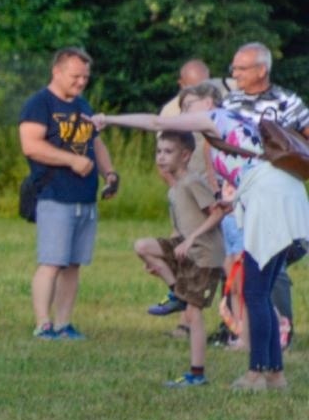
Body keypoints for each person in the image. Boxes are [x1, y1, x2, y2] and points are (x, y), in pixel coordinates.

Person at [96, 81, 309, 389]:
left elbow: (156, 122)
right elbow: (252, 167)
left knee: (255, 293)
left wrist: (108, 119)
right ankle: (275, 374)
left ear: (209, 103)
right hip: (283, 194)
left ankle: (256, 373)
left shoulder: (216, 117)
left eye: (189, 106)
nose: (183, 113)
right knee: (261, 291)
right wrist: (232, 202)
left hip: (269, 200)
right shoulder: (233, 124)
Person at [18, 47, 118, 340]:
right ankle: (43, 323)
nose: (81, 82)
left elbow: (95, 143)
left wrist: (109, 173)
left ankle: (64, 323)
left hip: (84, 197)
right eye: (75, 76)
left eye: (85, 77)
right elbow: (31, 146)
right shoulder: (39, 104)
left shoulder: (83, 105)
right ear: (57, 72)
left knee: (73, 264)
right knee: (52, 262)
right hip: (54, 195)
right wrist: (71, 160)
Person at [222, 43, 309, 335]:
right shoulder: (230, 103)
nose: (235, 73)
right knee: (239, 258)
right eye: (234, 68)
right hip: (239, 194)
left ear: (262, 70)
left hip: (275, 194)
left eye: (241, 68)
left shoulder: (287, 101)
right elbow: (216, 142)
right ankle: (238, 327)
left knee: (273, 258)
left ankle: (282, 328)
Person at [131, 129, 227, 386]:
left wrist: (192, 238)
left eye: (168, 152)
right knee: (142, 247)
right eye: (158, 151)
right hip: (186, 250)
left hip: (205, 256)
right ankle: (176, 293)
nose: (161, 157)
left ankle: (197, 374)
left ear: (185, 156)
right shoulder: (174, 190)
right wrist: (160, 260)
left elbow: (217, 213)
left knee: (193, 315)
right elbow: (178, 230)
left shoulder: (193, 182)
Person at [147, 58, 219, 317]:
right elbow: (164, 155)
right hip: (188, 194)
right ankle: (183, 317)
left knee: (211, 261)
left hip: (211, 196)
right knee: (184, 258)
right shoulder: (171, 111)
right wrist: (179, 192)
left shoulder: (217, 114)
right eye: (191, 86)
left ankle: (225, 321)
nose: (198, 91)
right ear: (181, 84)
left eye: (203, 84)